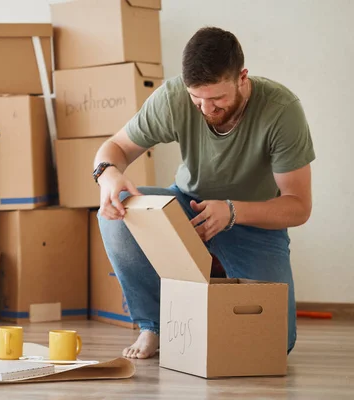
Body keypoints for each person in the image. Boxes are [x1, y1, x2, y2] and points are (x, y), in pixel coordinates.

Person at [93, 26, 315, 359]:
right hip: (186, 205)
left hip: (252, 221)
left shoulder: (281, 110)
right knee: (116, 210)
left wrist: (232, 211)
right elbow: (114, 148)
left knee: (273, 340)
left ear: (242, 77)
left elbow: (298, 206)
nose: (206, 110)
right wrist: (107, 175)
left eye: (217, 99)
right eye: (197, 99)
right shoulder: (173, 98)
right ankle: (154, 325)